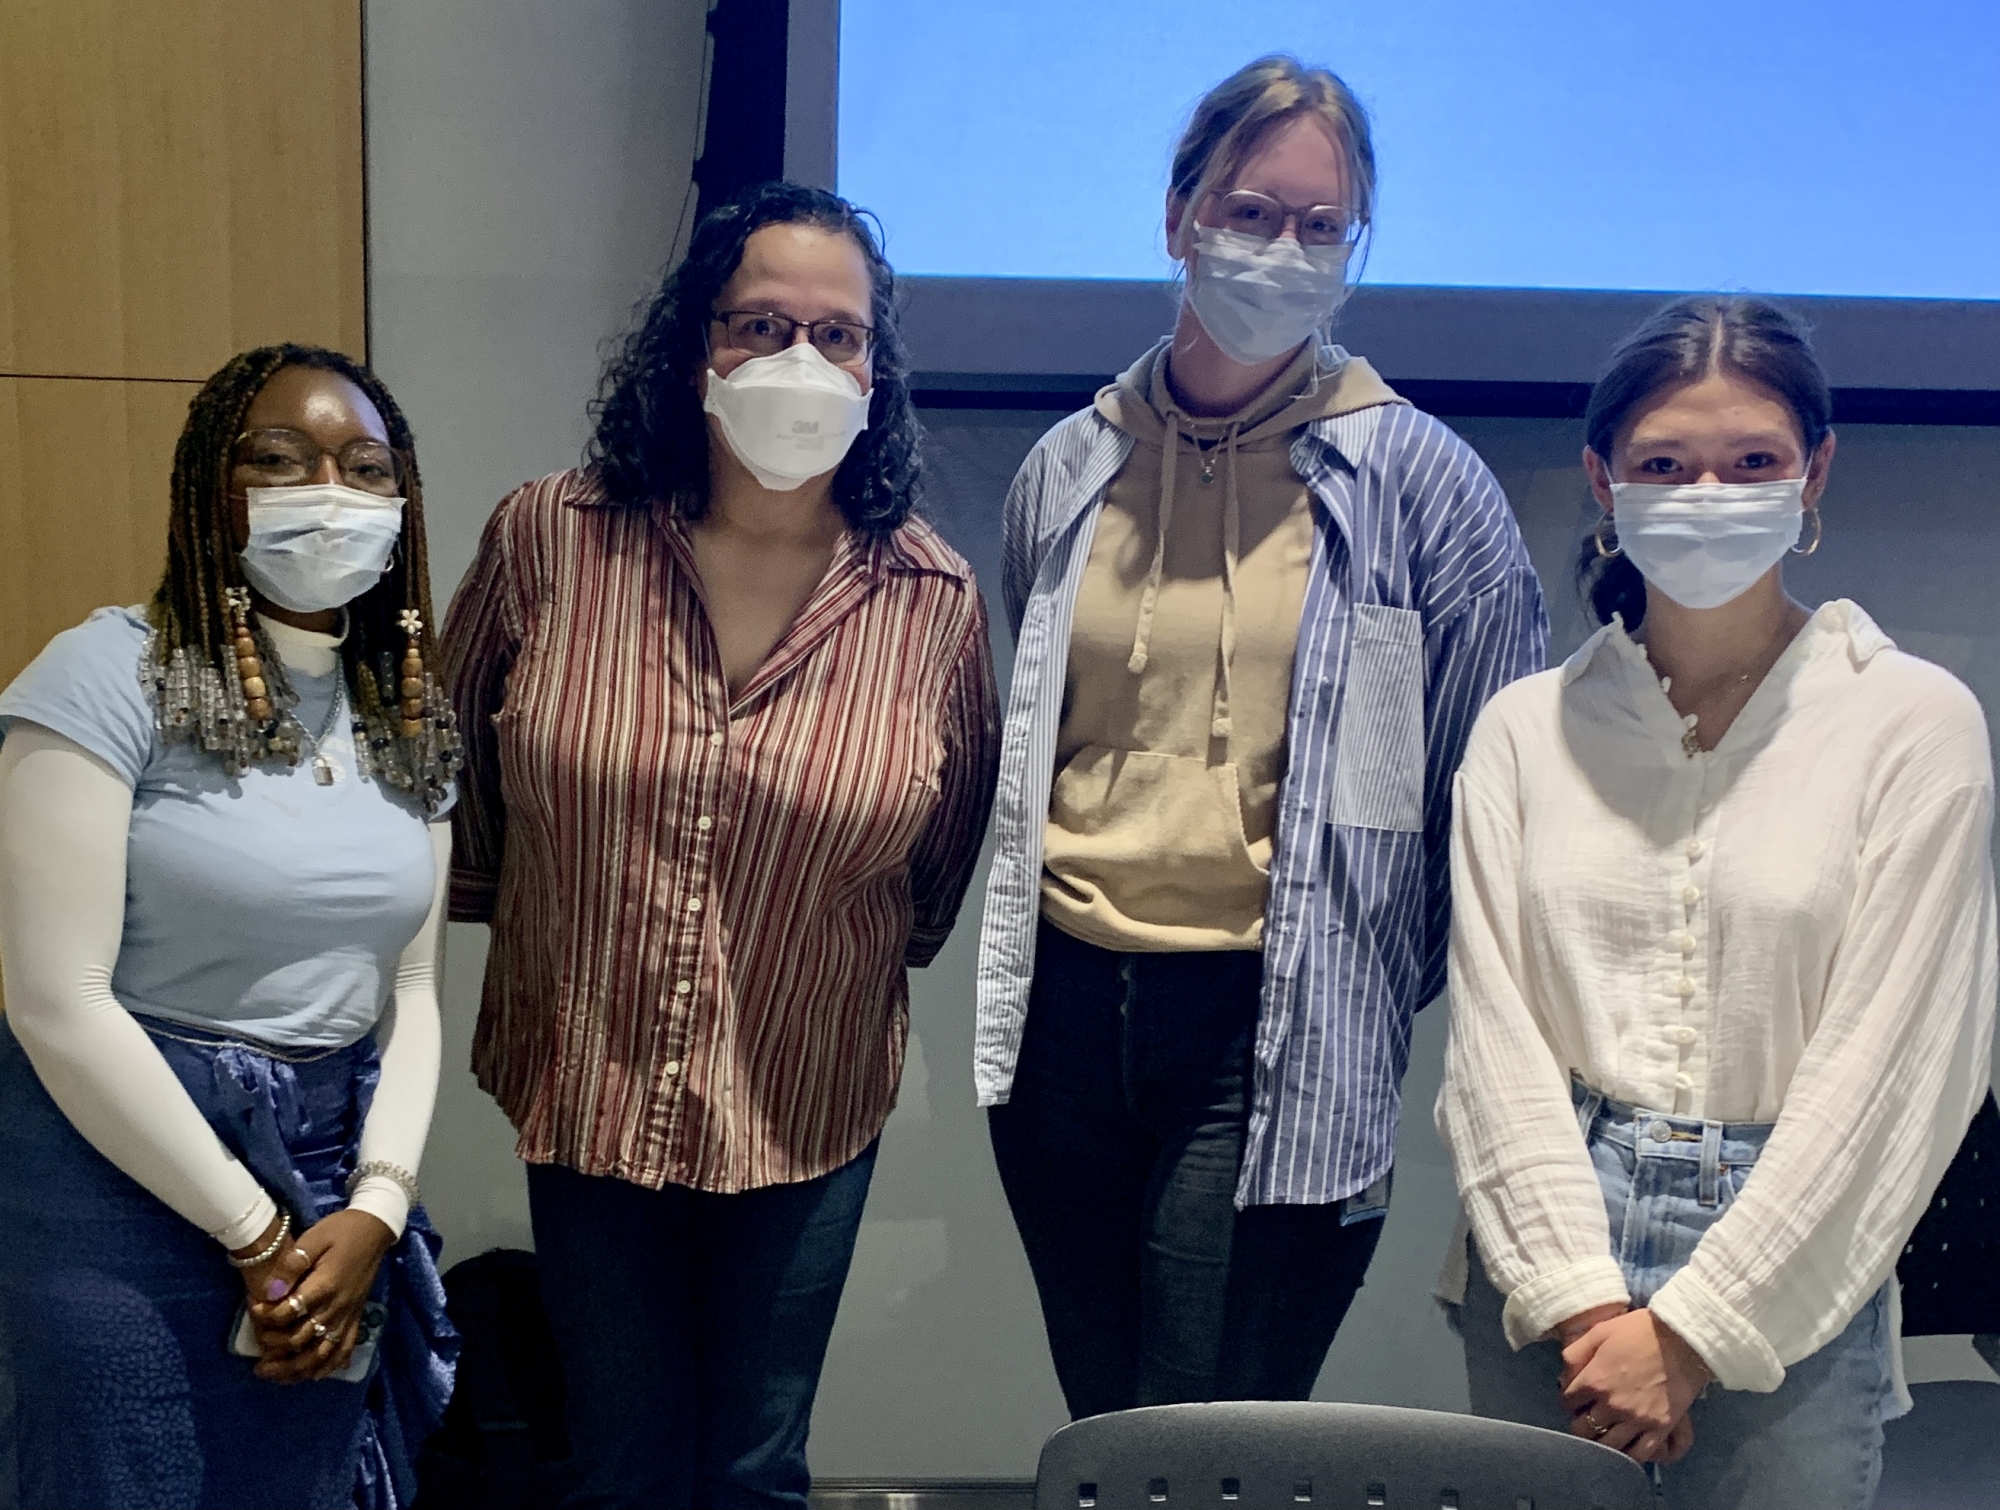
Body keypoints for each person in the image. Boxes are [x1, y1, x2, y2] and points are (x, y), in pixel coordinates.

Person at [975, 54, 1548, 1419]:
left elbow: (1493, 803)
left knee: (1210, 1431)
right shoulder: (1070, 465)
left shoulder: (1426, 486)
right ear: (1177, 216)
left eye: (1318, 224)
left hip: (1271, 1019)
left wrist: (1354, 979)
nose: (1280, 249)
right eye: (1248, 211)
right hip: (1064, 1015)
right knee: (1109, 1420)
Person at [444, 181, 1000, 1509]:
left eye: (838, 333)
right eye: (761, 324)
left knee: (755, 1469)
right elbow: (461, 765)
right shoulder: (549, 539)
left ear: (878, 369)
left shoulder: (933, 597)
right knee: (624, 1462)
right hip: (588, 1077)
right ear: (693, 346)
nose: (800, 360)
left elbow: (941, 851)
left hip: (804, 1088)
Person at [1436, 295, 1997, 1510]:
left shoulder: (1911, 724)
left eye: (1751, 461)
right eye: (1661, 464)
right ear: (1601, 478)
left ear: (1813, 473)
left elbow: (1894, 1072)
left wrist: (1689, 1336)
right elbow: (1492, 1049)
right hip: (1543, 1256)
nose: (1706, 492)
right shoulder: (1523, 731)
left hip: (1793, 1262)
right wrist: (1586, 1306)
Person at [0, 344, 462, 1509]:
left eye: (365, 467)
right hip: (113, 1170)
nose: (331, 491)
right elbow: (56, 999)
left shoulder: (405, 711)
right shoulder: (102, 674)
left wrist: (376, 1206)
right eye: (281, 459)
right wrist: (255, 1233)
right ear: (213, 488)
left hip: (330, 1174)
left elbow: (410, 995)